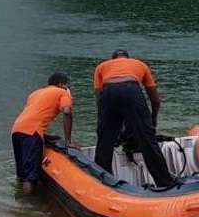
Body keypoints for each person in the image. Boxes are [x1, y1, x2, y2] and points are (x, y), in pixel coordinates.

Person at [93, 50, 175, 187]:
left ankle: (103, 182)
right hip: (131, 89)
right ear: (127, 57)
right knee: (148, 140)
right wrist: (152, 119)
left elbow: (99, 98)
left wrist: (106, 123)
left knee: (104, 142)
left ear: (112, 59)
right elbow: (155, 100)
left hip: (108, 91)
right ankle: (165, 182)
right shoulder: (140, 64)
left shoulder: (101, 66)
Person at [11, 72, 74, 193]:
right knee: (30, 177)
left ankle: (19, 200)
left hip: (16, 130)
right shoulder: (62, 92)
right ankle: (27, 208)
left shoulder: (35, 93)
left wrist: (45, 137)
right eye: (68, 85)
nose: (69, 88)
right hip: (31, 133)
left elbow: (34, 114)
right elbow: (67, 112)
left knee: (22, 173)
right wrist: (68, 141)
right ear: (61, 84)